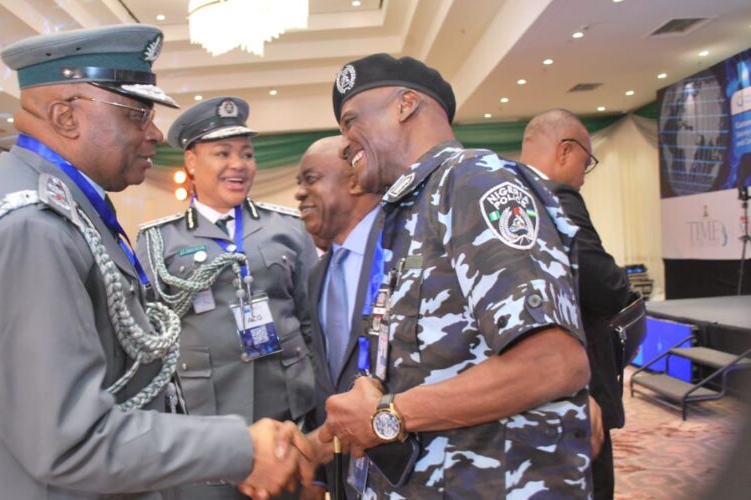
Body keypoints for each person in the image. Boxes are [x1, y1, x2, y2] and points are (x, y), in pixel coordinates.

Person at [0, 25, 310, 500]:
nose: (154, 134)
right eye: (137, 115)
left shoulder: (59, 204)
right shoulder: (31, 227)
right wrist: (240, 449)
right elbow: (69, 438)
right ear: (65, 116)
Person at [316, 53, 592, 498]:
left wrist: (388, 414)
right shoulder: (409, 210)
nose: (344, 145)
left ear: (406, 105)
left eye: (351, 122)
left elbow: (553, 363)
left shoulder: (475, 181)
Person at [137, 96, 318, 499]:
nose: (239, 165)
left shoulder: (288, 228)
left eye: (247, 154)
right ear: (190, 161)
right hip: (204, 425)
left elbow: (311, 326)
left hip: (286, 419)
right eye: (223, 153)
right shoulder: (158, 240)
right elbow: (150, 343)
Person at [520, 108, 633, 500]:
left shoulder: (500, 196)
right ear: (565, 150)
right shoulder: (557, 197)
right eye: (587, 163)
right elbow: (606, 287)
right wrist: (623, 279)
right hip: (577, 389)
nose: (585, 175)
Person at [294, 136, 382, 499]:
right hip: (345, 476)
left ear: (355, 180)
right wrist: (318, 475)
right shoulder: (317, 275)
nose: (299, 193)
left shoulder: (400, 252)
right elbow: (324, 381)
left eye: (311, 179)